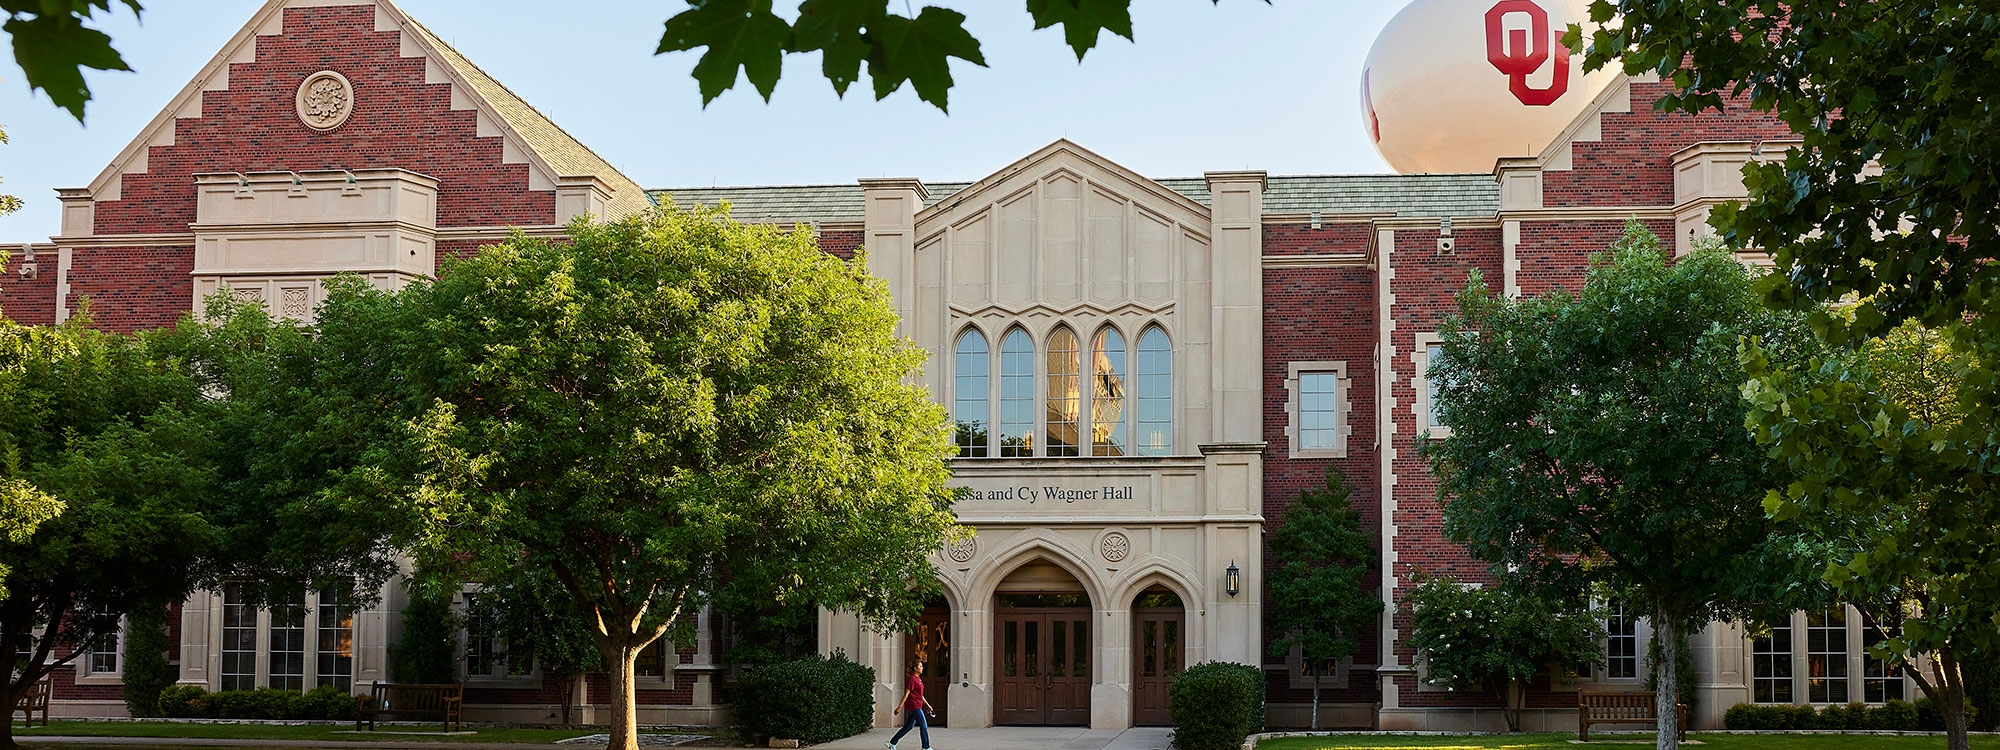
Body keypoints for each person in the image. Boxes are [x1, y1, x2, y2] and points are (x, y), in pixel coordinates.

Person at [886, 660, 933, 750]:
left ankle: (892, 743)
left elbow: (920, 695)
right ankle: (926, 747)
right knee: (923, 726)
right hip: (914, 706)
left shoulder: (918, 679)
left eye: (922, 666)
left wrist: (928, 705)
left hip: (917, 705)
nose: (922, 668)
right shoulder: (912, 679)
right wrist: (899, 707)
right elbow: (907, 693)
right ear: (915, 668)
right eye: (920, 666)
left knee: (908, 726)